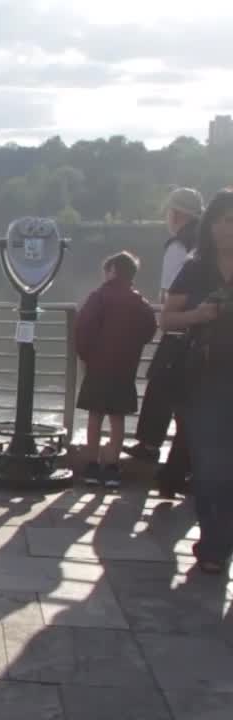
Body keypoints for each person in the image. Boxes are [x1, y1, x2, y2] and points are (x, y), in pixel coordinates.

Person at [162, 189, 233, 573]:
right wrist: (200, 315)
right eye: (224, 219)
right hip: (205, 378)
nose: (230, 228)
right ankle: (212, 547)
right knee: (208, 464)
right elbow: (166, 319)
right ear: (211, 225)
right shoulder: (196, 267)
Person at [127, 188, 203, 481]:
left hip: (179, 331)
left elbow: (170, 292)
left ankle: (149, 445)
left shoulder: (178, 246)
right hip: (204, 334)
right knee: (191, 397)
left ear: (177, 214)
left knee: (160, 382)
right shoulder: (206, 243)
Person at [74, 252, 158, 489]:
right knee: (117, 417)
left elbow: (83, 328)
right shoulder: (139, 301)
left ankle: (92, 465)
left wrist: (87, 355)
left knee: (95, 415)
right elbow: (149, 329)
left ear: (112, 270)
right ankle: (112, 467)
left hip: (99, 365)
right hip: (125, 367)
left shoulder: (99, 297)